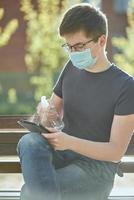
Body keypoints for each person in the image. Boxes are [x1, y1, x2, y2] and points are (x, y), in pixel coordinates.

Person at [17, 3, 134, 200]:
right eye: (68, 46)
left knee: (30, 193)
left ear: (102, 41)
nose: (73, 53)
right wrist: (45, 115)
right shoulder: (71, 68)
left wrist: (68, 142)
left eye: (79, 46)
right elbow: (52, 113)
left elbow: (115, 152)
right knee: (28, 142)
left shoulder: (126, 86)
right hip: (63, 155)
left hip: (96, 170)